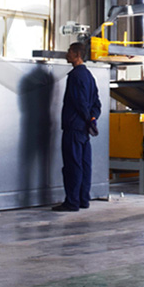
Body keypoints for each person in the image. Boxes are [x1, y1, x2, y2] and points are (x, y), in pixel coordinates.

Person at [52, 42, 101, 212]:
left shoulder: (75, 76)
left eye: (69, 51)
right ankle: (83, 200)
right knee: (84, 164)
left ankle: (72, 202)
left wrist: (87, 118)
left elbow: (80, 102)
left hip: (74, 127)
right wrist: (92, 119)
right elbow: (96, 103)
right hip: (85, 130)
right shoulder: (89, 76)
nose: (67, 54)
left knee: (73, 165)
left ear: (77, 55)